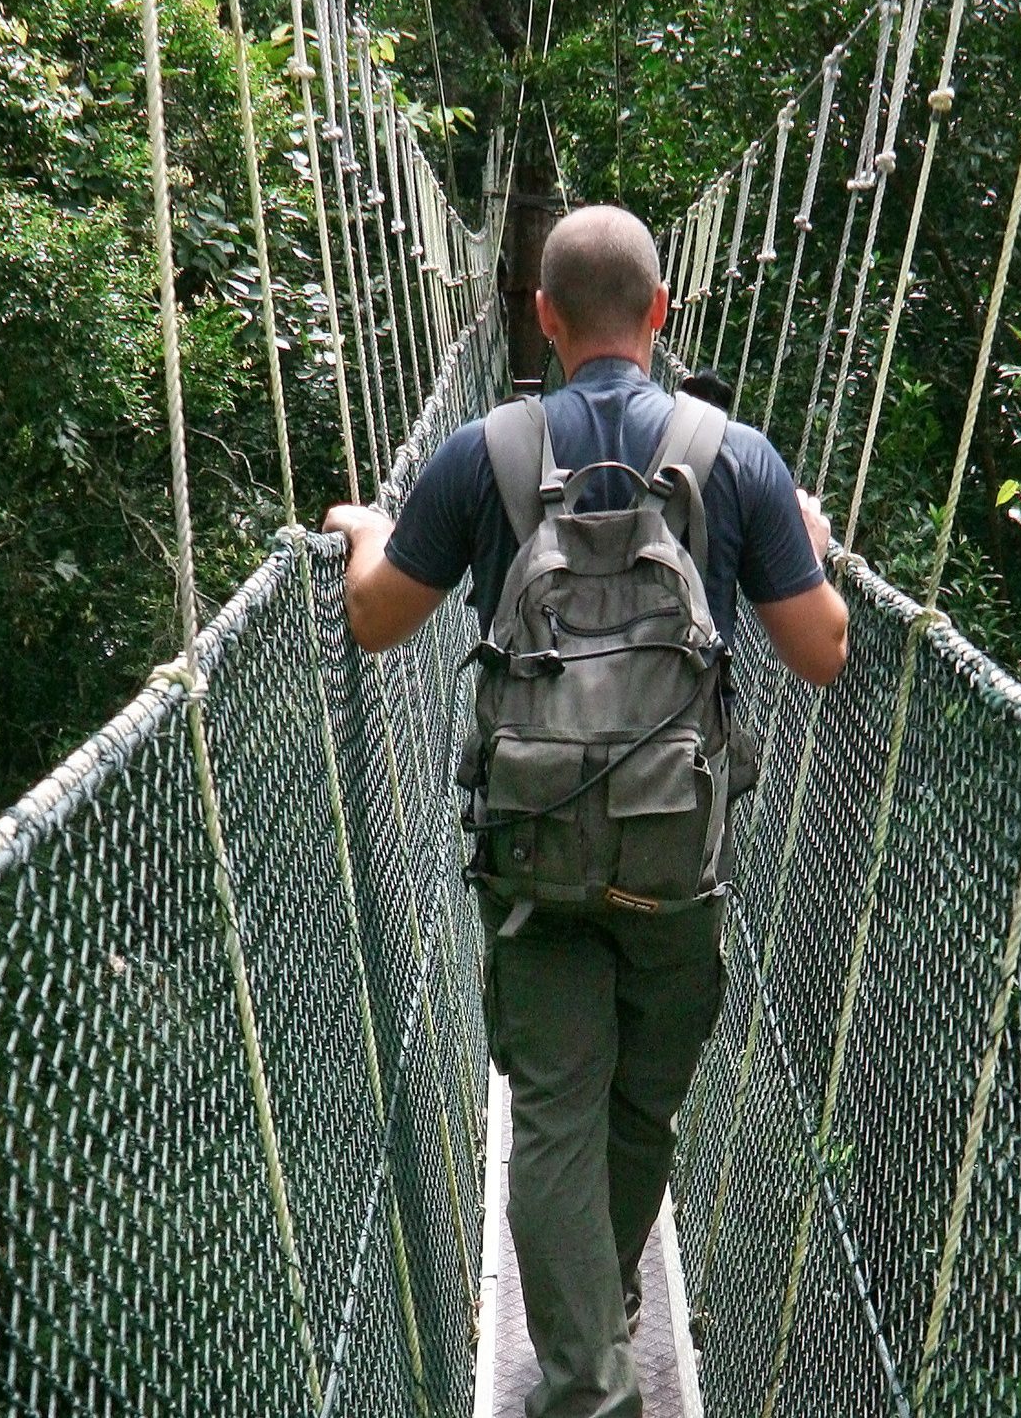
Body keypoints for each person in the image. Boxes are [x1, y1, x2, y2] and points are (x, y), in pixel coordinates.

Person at [322, 204, 847, 1418]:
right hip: (674, 860)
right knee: (640, 1104)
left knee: (553, 1107)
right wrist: (805, 537)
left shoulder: (485, 454)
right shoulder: (735, 456)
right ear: (660, 313)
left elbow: (375, 619)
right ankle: (602, 1317)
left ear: (542, 317)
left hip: (535, 856)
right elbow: (820, 650)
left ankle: (585, 1378)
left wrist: (366, 533)